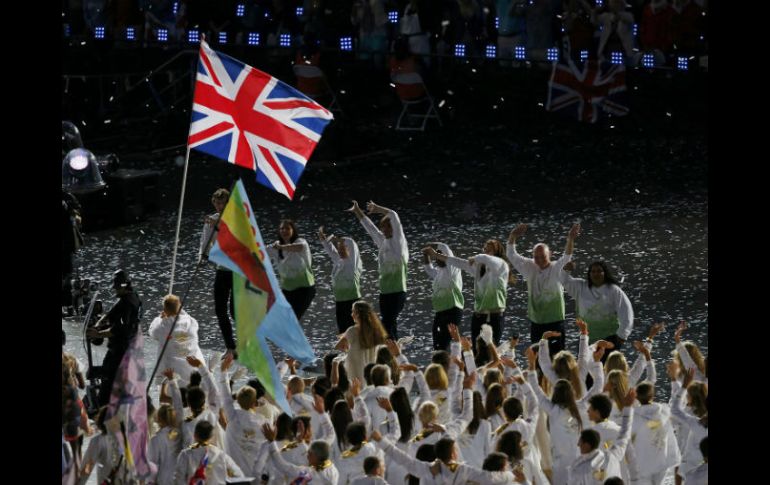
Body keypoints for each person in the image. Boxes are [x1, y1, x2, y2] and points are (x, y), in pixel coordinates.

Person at [507, 223, 580, 355]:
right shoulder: (529, 267)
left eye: (543, 257)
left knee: (557, 358)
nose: (539, 260)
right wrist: (513, 236)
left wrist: (570, 239)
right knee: (537, 358)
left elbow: (567, 256)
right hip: (537, 322)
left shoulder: (556, 268)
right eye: (536, 257)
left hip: (555, 321)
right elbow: (511, 254)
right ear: (532, 256)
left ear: (550, 255)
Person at [424, 239, 513, 345]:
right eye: (485, 249)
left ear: (497, 253)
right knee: (476, 352)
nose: (485, 252)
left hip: (494, 316)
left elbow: (491, 261)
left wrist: (477, 257)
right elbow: (457, 261)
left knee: (490, 351)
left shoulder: (501, 267)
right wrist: (431, 255)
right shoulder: (477, 268)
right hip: (478, 316)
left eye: (489, 250)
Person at [348, 200, 409, 339]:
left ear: (393, 228)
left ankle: (389, 350)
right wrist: (357, 211)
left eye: (388, 227)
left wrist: (378, 209)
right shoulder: (383, 242)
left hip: (398, 291)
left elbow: (393, 215)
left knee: (386, 324)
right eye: (383, 227)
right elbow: (370, 228)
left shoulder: (399, 242)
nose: (384, 230)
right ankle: (395, 351)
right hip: (385, 292)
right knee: (390, 324)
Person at [86, 269, 142, 407]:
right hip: (121, 348)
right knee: (106, 372)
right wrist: (99, 324)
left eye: (116, 287)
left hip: (122, 349)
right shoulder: (129, 296)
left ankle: (104, 407)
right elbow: (112, 312)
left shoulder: (129, 303)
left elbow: (118, 330)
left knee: (108, 379)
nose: (114, 290)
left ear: (122, 286)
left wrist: (97, 334)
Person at [560, 261, 634, 351]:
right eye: (593, 271)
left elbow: (626, 312)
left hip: (609, 340)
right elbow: (564, 281)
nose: (596, 274)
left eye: (599, 271)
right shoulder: (581, 287)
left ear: (605, 273)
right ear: (589, 274)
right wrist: (566, 270)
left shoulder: (614, 290)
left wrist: (622, 336)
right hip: (587, 339)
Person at [200, 188, 237, 359]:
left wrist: (217, 225)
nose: (219, 206)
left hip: (237, 270)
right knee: (220, 310)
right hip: (221, 269)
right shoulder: (212, 220)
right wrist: (202, 256)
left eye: (222, 203)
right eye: (216, 203)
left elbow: (232, 235)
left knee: (235, 311)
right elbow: (205, 240)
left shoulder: (236, 217)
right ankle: (230, 348)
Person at [147, 294, 206, 388]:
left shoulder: (163, 326)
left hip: (174, 373)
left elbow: (152, 332)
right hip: (193, 371)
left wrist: (160, 318)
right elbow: (183, 315)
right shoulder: (192, 322)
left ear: (165, 310)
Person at [267, 219, 317, 320]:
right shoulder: (275, 246)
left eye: (287, 228)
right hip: (287, 290)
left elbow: (298, 248)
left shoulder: (301, 242)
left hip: (305, 289)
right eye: (282, 229)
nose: (284, 231)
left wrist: (281, 247)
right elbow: (259, 251)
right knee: (281, 319)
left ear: (293, 230)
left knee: (293, 319)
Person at [319, 225, 363, 333]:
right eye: (339, 249)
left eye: (343, 248)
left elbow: (351, 242)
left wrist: (335, 239)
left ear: (350, 249)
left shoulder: (353, 263)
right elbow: (330, 250)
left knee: (356, 334)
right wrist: (323, 239)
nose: (340, 251)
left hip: (353, 303)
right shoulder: (339, 262)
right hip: (340, 303)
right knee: (343, 335)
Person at [421, 242, 464, 351]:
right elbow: (429, 269)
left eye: (439, 257)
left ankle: (447, 365)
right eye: (435, 257)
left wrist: (432, 245)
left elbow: (444, 247)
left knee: (444, 343)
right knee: (437, 344)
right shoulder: (439, 272)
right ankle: (439, 365)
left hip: (452, 310)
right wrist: (426, 255)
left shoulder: (453, 267)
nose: (437, 259)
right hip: (440, 312)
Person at [335, 300, 389, 382]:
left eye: (353, 311)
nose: (351, 314)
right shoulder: (377, 331)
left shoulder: (352, 331)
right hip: (371, 373)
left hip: (354, 374)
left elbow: (337, 347)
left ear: (357, 314)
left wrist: (347, 351)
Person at [62, 188, 83, 315]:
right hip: (66, 245)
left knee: (67, 278)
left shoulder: (67, 198)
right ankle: (67, 306)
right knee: (66, 278)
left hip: (66, 245)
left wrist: (73, 213)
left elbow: (77, 213)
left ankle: (69, 306)